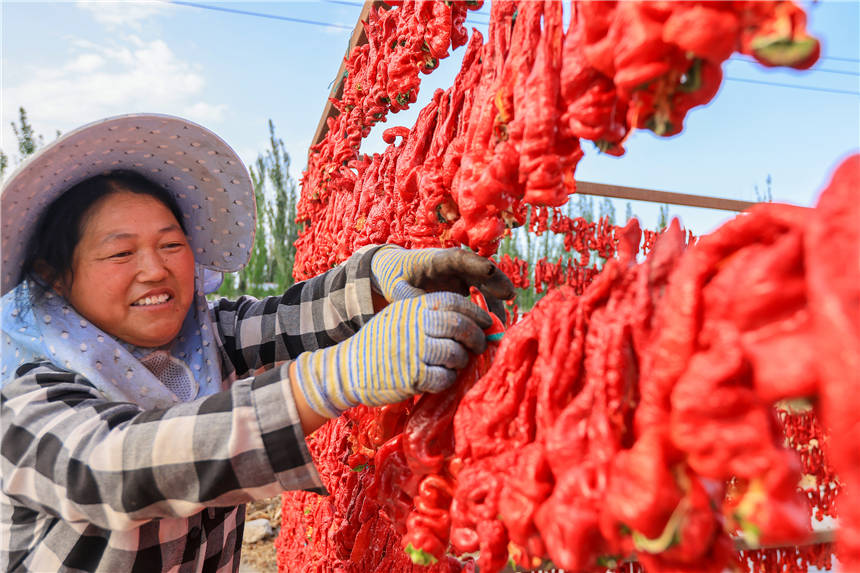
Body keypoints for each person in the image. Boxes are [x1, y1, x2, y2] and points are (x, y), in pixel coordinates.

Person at [0, 114, 514, 572]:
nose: (154, 269)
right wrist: (328, 380)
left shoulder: (202, 337)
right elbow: (112, 466)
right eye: (120, 254)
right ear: (54, 275)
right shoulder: (22, 392)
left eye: (171, 243)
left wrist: (381, 278)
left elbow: (289, 318)